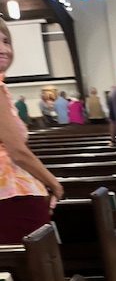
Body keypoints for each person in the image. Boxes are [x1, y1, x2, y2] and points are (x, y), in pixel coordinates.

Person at [0, 18, 63, 243]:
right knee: (38, 262)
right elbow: (17, 152)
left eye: (6, 41)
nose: (3, 48)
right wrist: (53, 183)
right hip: (14, 194)